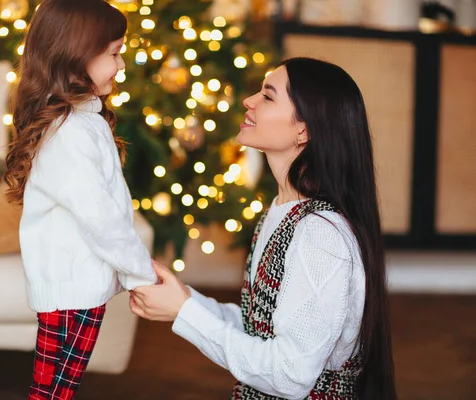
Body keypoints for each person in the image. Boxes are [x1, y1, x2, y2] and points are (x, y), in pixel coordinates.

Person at [130, 57, 397, 399]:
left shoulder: (320, 234)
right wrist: (183, 298)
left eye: (268, 96)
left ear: (304, 129)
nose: (249, 101)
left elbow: (290, 375)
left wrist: (185, 313)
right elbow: (261, 326)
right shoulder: (283, 210)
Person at [3, 0, 157, 398]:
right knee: (54, 392)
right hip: (70, 291)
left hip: (79, 286)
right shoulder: (70, 132)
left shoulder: (84, 120)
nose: (121, 65)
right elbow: (100, 215)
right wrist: (140, 273)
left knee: (58, 391)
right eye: (114, 53)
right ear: (75, 56)